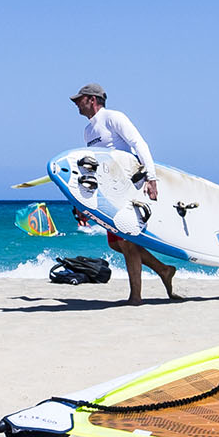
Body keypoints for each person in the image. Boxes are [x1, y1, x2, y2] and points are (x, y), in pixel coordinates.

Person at [70, 83, 178, 304]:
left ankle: (136, 296)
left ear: (92, 99)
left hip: (127, 187)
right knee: (116, 243)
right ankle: (164, 270)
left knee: (127, 241)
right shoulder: (88, 131)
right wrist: (81, 203)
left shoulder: (113, 118)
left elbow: (139, 143)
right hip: (109, 192)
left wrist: (152, 178)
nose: (76, 104)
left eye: (79, 99)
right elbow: (94, 167)